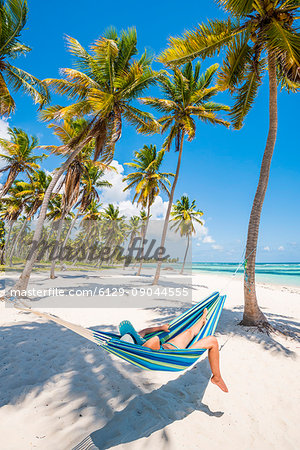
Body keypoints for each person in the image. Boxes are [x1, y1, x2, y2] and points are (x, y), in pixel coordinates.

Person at [138, 308, 228, 393]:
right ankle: (217, 377)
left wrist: (161, 328)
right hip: (171, 357)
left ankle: (202, 320)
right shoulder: (133, 348)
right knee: (212, 341)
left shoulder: (136, 338)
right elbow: (150, 338)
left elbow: (144, 332)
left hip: (173, 348)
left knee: (189, 332)